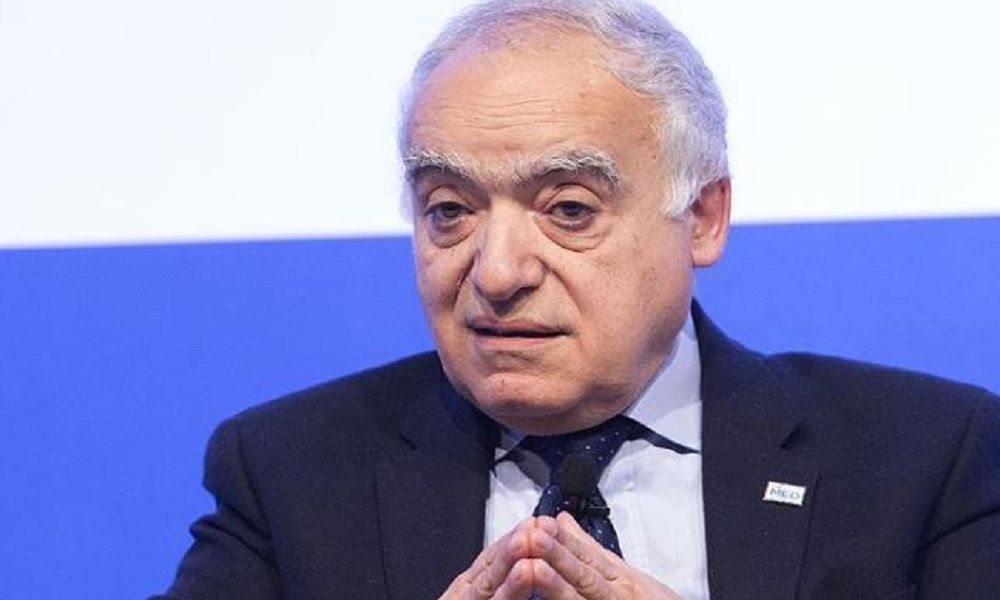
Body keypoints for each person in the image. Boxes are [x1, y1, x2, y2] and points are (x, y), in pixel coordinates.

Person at [153, 1, 1000, 598]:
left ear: (703, 217)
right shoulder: (291, 474)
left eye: (568, 210)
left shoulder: (924, 460)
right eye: (449, 210)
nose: (496, 272)